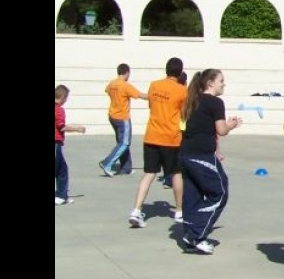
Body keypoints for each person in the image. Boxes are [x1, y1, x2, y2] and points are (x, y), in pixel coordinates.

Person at [178, 69, 243, 254]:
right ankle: (196, 234)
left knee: (193, 195)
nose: (224, 84)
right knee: (220, 192)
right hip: (201, 155)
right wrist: (231, 124)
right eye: (221, 80)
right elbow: (221, 130)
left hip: (185, 154)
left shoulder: (192, 100)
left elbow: (196, 127)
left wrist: (217, 149)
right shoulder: (215, 102)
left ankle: (190, 235)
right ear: (210, 83)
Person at [129, 58, 188, 228]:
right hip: (171, 138)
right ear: (180, 71)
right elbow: (184, 113)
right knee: (176, 173)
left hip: (151, 136)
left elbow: (151, 105)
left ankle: (136, 210)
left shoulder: (154, 85)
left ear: (167, 70)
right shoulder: (182, 90)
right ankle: (179, 211)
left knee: (149, 173)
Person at [100, 63, 144, 176]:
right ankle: (107, 163)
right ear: (127, 73)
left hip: (112, 116)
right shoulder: (125, 85)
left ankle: (126, 167)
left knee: (121, 142)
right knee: (125, 143)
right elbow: (140, 95)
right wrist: (155, 96)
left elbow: (107, 91)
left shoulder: (112, 83)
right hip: (122, 117)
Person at [55, 84, 87, 205]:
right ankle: (61, 196)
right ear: (62, 97)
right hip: (56, 143)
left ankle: (62, 194)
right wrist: (77, 129)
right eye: (66, 98)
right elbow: (62, 127)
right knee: (61, 170)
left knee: (62, 169)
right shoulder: (59, 110)